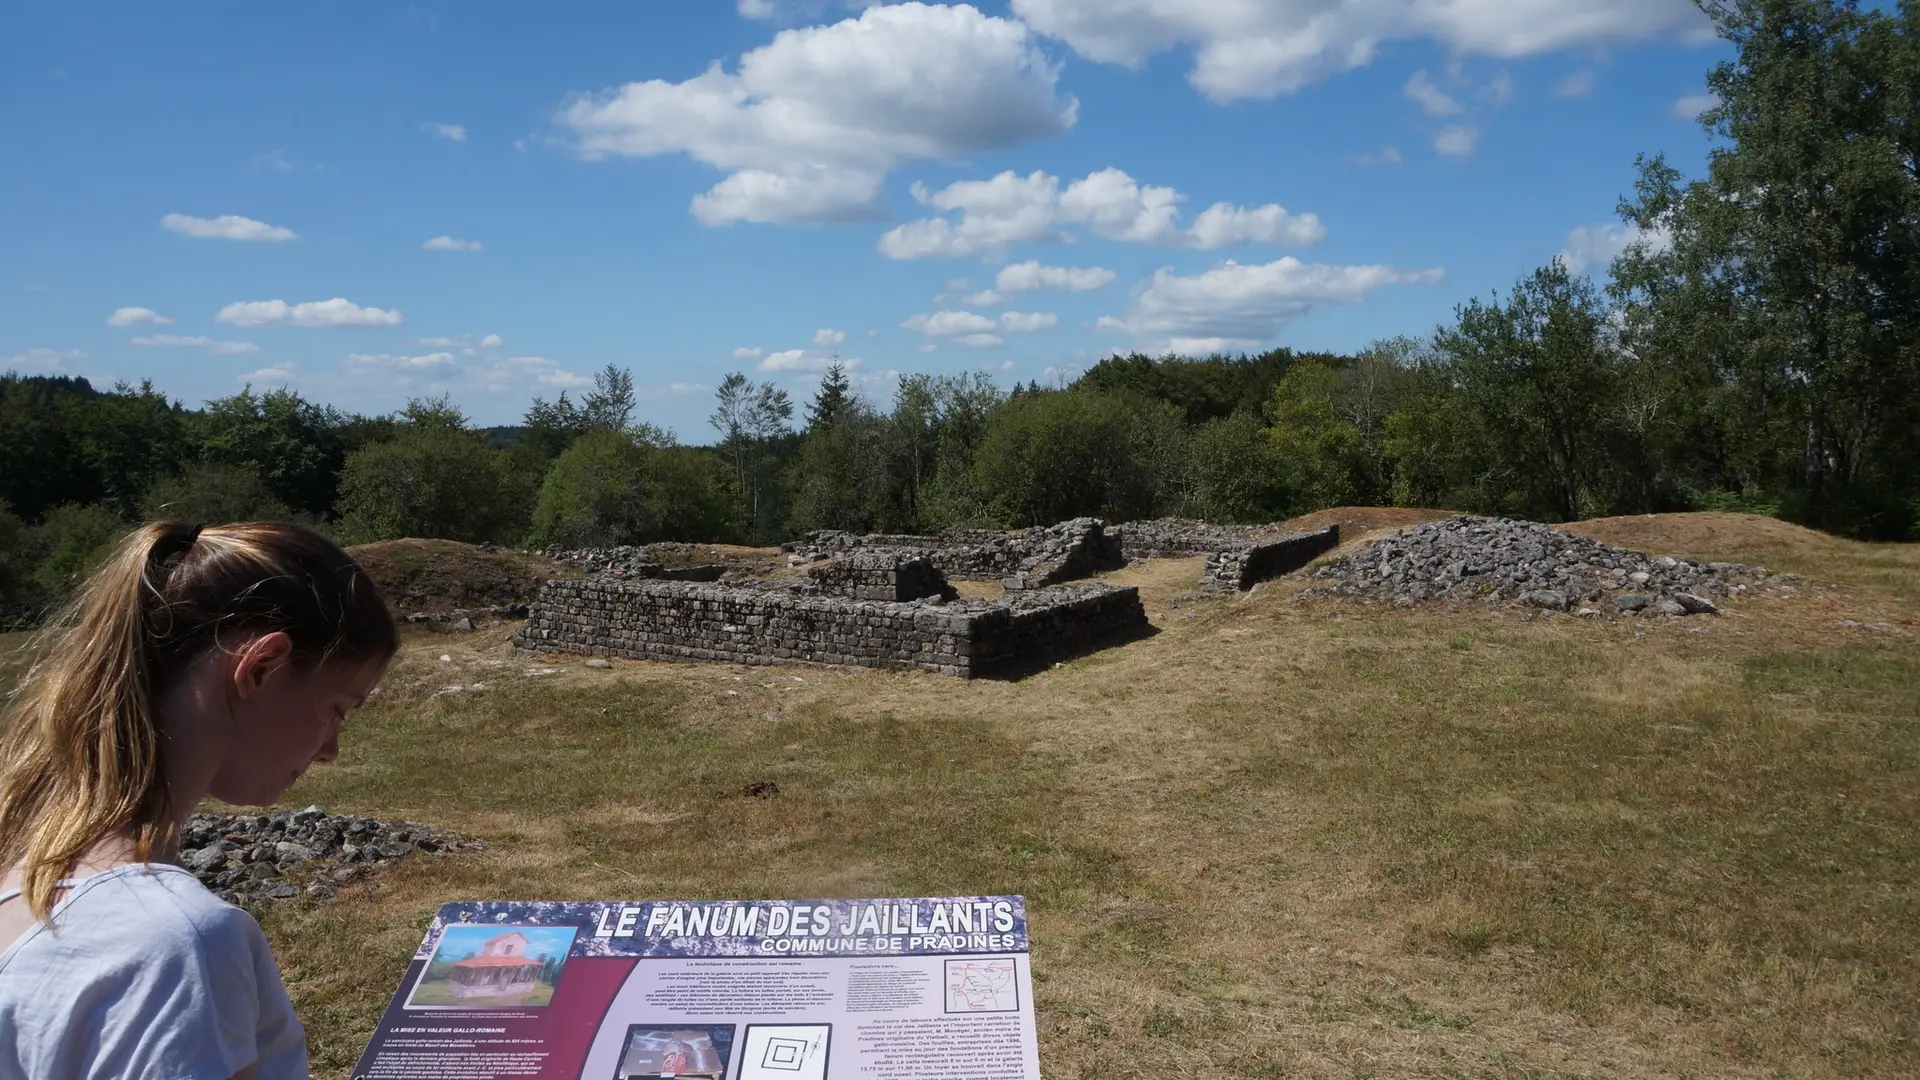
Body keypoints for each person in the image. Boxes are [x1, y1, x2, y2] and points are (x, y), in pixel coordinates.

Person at [0, 520, 399, 1080]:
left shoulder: (22, 870)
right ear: (262, 667)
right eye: (337, 708)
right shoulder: (171, 948)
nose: (331, 750)